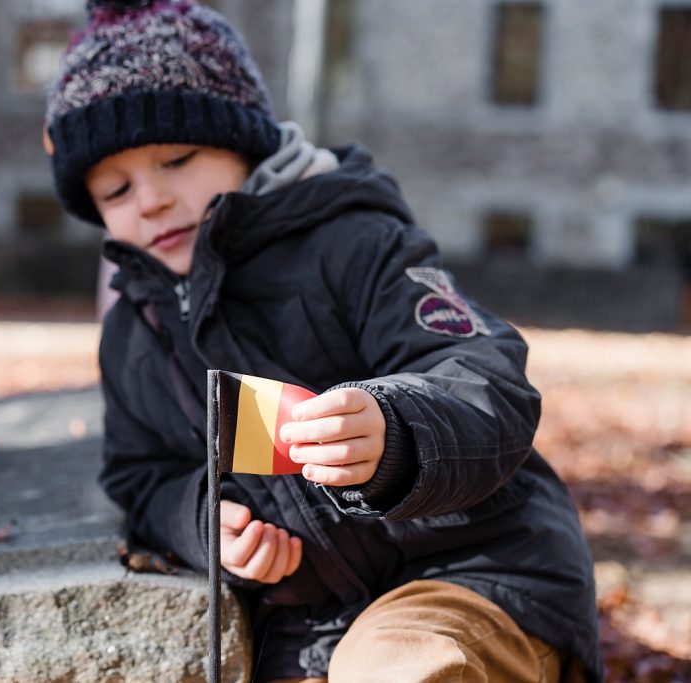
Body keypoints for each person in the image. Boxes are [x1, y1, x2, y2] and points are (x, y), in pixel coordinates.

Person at [43, 1, 602, 680]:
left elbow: (488, 376)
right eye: (115, 189)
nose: (151, 199)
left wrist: (394, 430)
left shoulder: (352, 242)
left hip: (471, 575)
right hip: (308, 623)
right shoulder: (136, 327)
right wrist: (205, 524)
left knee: (391, 671)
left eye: (178, 159)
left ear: (243, 143)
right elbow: (142, 473)